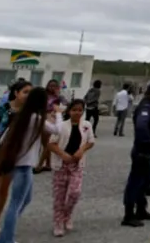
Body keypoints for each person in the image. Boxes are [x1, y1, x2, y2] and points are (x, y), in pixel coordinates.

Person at [0, 86, 59, 243]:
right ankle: (6, 239)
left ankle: (5, 236)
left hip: (15, 164)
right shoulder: (36, 118)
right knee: (15, 205)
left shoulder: (21, 116)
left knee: (26, 199)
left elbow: (3, 139)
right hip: (24, 167)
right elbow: (57, 130)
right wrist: (58, 113)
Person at [120, 81, 150, 227]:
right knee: (135, 182)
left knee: (144, 182)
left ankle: (141, 209)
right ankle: (128, 215)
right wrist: (149, 142)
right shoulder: (146, 107)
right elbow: (142, 125)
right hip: (143, 152)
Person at [49, 99, 95, 237]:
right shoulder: (61, 126)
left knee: (75, 192)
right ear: (69, 111)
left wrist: (82, 150)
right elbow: (51, 144)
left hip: (77, 164)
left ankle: (66, 215)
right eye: (74, 110)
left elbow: (90, 141)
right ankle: (58, 222)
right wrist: (63, 155)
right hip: (61, 164)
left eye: (80, 110)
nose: (77, 112)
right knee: (59, 196)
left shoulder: (86, 125)